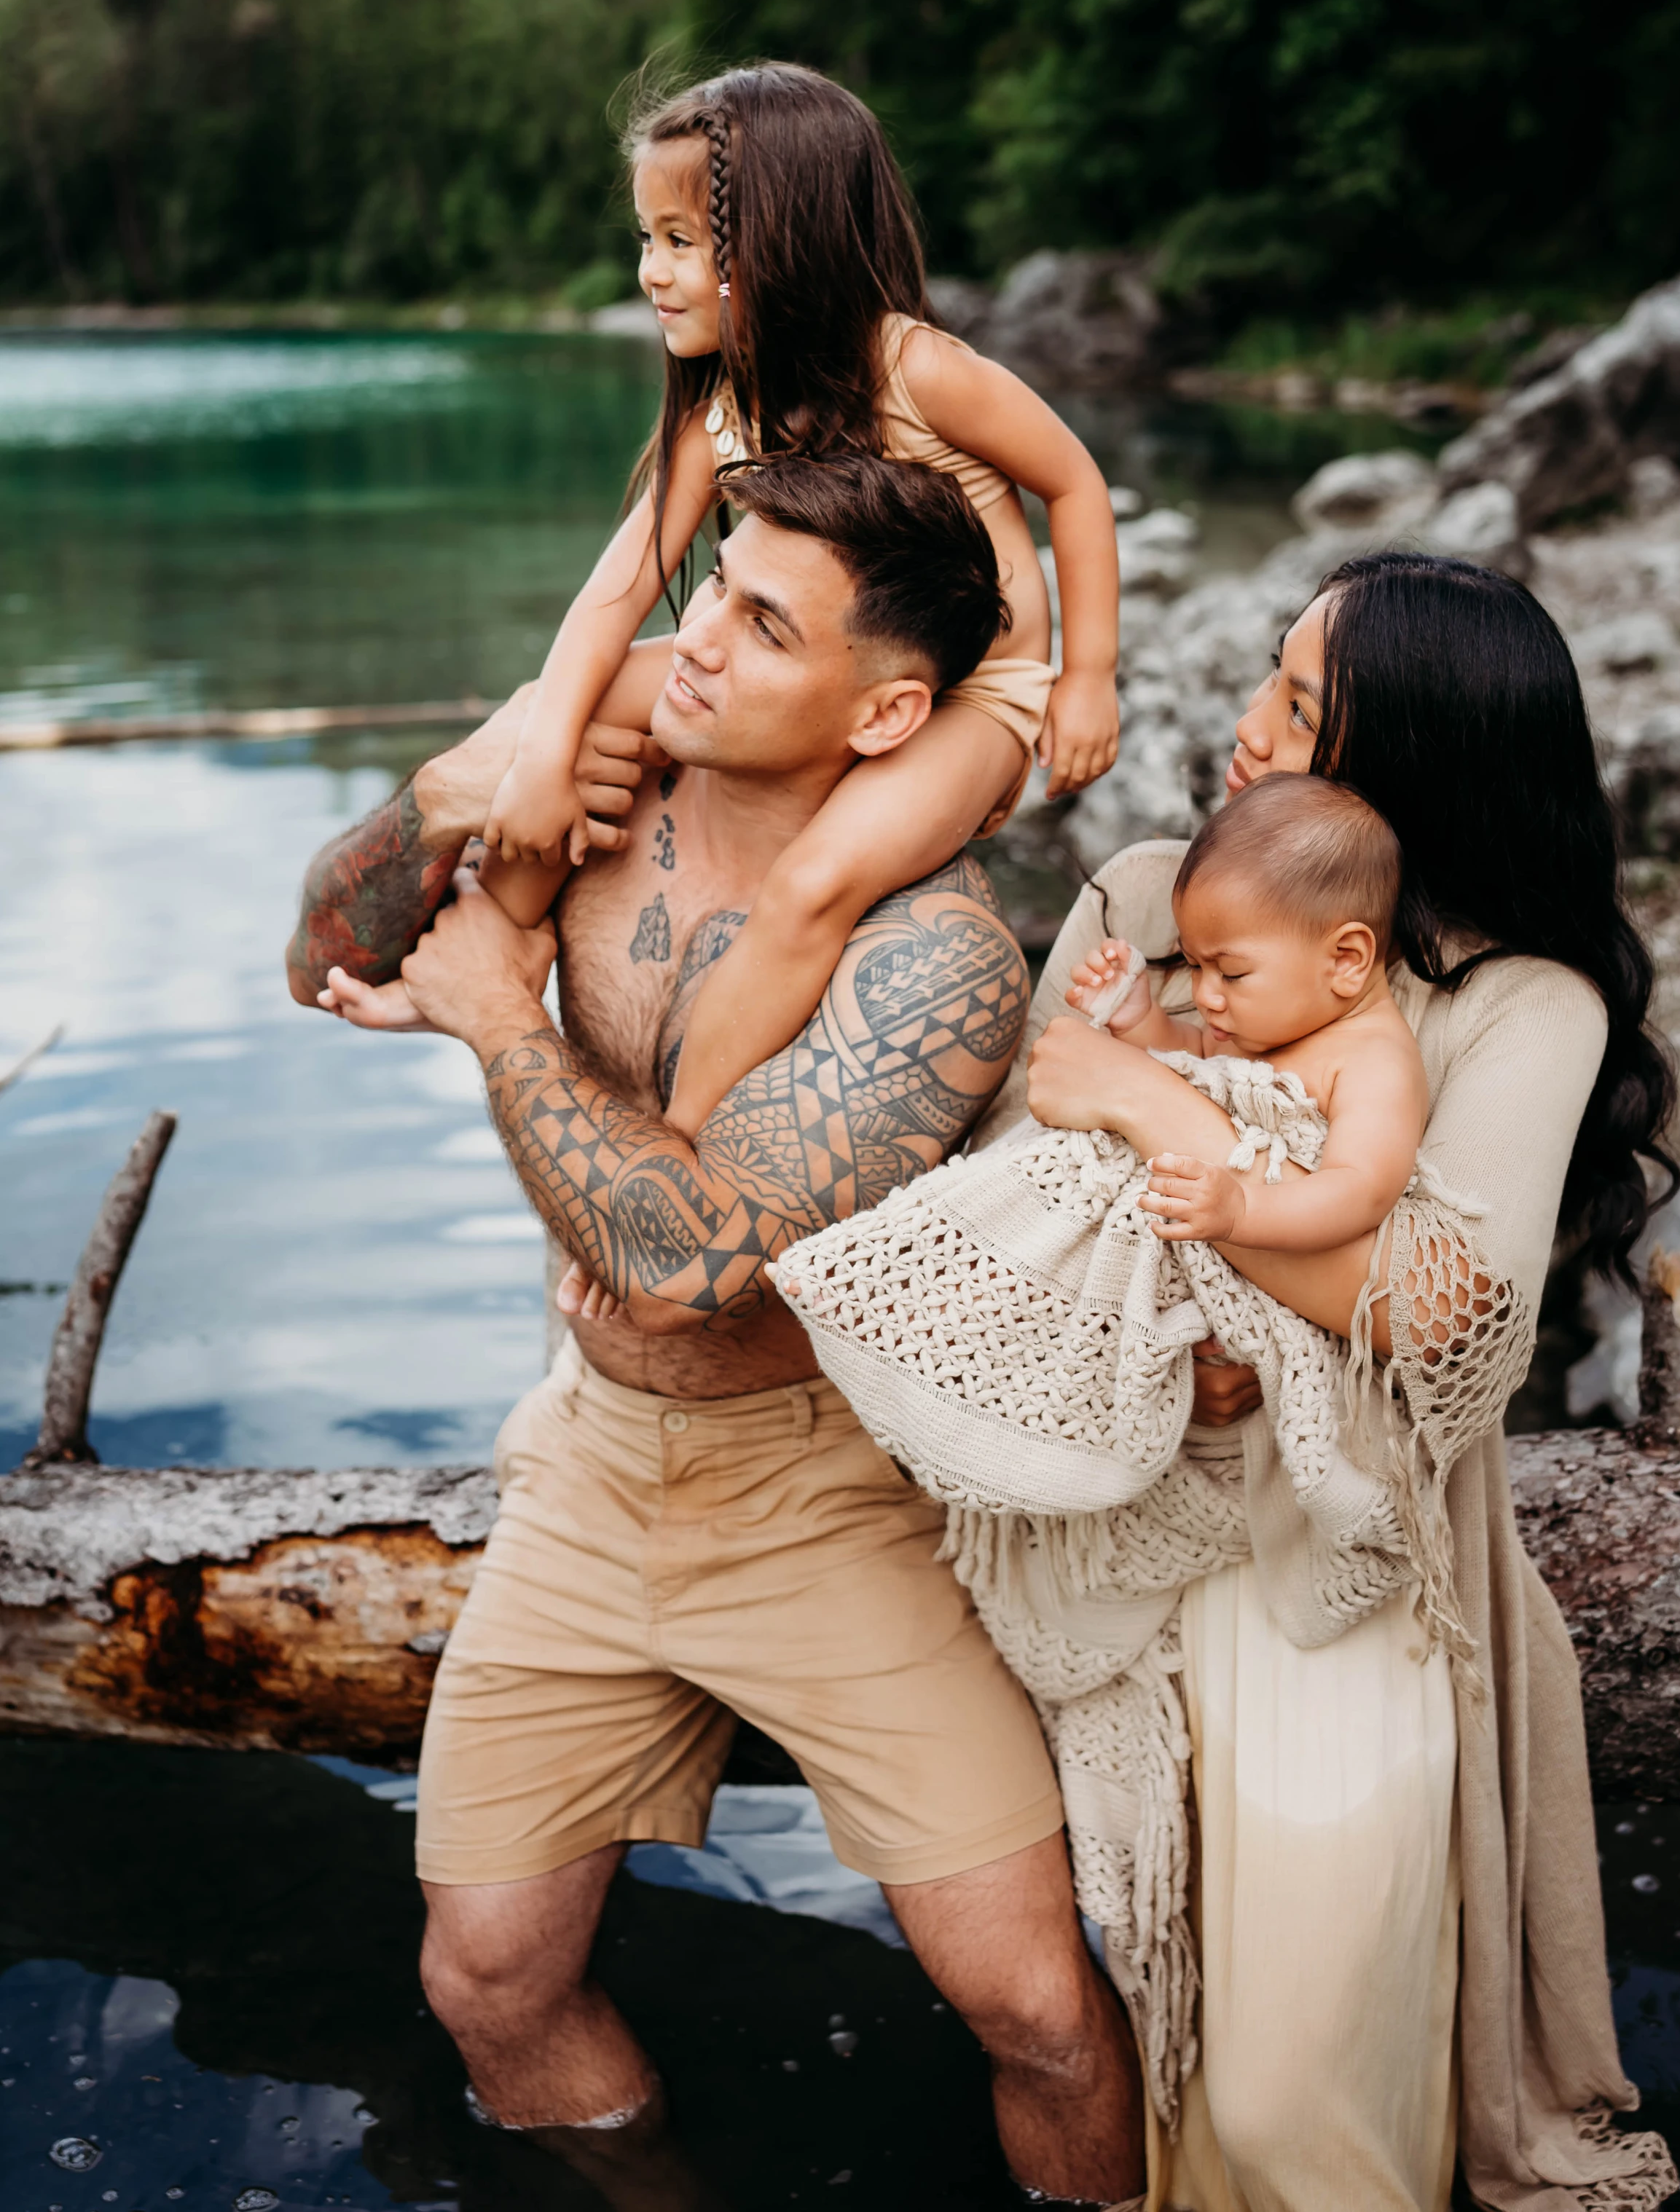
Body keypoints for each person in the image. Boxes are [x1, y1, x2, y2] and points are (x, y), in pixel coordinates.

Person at [285, 452, 1147, 2212]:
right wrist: (459, 783)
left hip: (820, 1495)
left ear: (887, 708)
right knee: (488, 1979)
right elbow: (327, 952)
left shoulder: (935, 956)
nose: (695, 644)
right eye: (713, 588)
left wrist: (495, 1022)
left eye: (765, 625)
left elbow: (693, 1258)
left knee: (1036, 2010)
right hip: (589, 1472)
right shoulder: (603, 783)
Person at [992, 552, 1680, 2212]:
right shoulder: (1150, 893)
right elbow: (1028, 1216)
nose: (1243, 728)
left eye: (1297, 704)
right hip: (1124, 1514)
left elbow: (1440, 1305)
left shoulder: (1522, 1000)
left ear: (1418, 757)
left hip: (1352, 1566)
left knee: (1291, 2090)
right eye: (1267, 676)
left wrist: (1164, 1116)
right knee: (1153, 2058)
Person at [390, 59, 1122, 1146]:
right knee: (554, 709)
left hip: (976, 692)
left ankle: (678, 1139)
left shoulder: (915, 368)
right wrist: (547, 756)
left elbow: (1074, 481)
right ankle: (482, 956)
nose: (650, 271)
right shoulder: (721, 409)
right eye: (646, 239)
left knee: (813, 885)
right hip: (811, 671)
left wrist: (1086, 676)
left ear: (784, 243)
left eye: (682, 243)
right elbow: (619, 590)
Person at [1066, 774, 1428, 1271]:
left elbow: (1359, 1189)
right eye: (1195, 965)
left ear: (1346, 959)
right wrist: (1138, 1020)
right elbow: (1195, 1065)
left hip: (1260, 1259)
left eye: (1231, 972)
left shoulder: (1375, 1061)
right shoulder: (1260, 1022)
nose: (1205, 993)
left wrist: (1245, 1207)